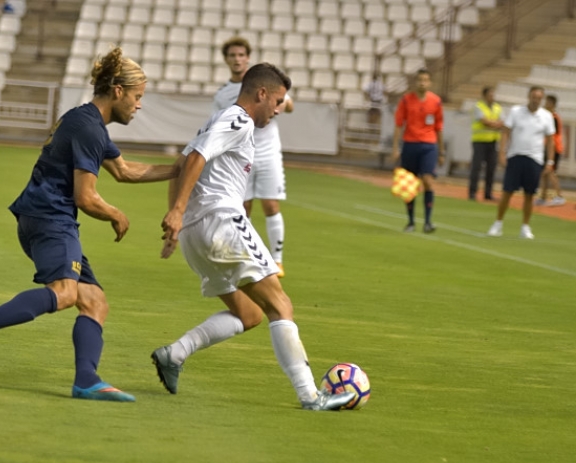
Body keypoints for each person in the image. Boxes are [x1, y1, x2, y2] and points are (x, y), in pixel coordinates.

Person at [0, 47, 179, 402]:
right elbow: (85, 197)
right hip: (51, 218)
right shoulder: (88, 128)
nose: (139, 105)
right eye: (137, 96)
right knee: (66, 293)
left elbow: (124, 170)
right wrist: (115, 213)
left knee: (95, 301)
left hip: (42, 216)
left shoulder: (86, 121)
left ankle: (86, 379)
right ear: (118, 91)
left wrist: (182, 169)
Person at [152, 63, 355, 411]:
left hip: (195, 235)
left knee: (250, 315)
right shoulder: (238, 119)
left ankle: (175, 353)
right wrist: (176, 212)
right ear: (261, 93)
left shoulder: (218, 120)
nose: (277, 110)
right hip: (221, 222)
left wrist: (179, 218)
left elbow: (180, 164)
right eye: (277, 101)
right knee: (280, 305)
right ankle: (311, 396)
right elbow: (197, 158)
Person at [212, 36, 293, 278]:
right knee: (243, 207)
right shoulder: (223, 94)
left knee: (270, 204)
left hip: (268, 152)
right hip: (241, 156)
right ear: (226, 60)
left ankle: (277, 261)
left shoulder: (263, 82)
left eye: (240, 55)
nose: (237, 59)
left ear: (247, 57)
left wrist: (282, 105)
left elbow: (288, 103)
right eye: (232, 55)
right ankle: (243, 254)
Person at [487, 86, 555, 239]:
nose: (535, 100)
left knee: (529, 194)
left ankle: (525, 226)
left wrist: (549, 161)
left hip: (535, 158)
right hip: (516, 155)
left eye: (539, 97)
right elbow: (506, 132)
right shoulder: (516, 111)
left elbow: (550, 141)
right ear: (528, 96)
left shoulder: (546, 116)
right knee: (507, 191)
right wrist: (502, 152)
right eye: (533, 96)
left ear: (542, 99)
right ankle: (498, 223)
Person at [391, 68, 445, 233]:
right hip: (410, 144)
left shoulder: (435, 102)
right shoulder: (406, 100)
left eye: (425, 80)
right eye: (420, 79)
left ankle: (428, 221)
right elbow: (399, 124)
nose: (422, 83)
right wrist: (395, 147)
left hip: (429, 145)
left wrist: (441, 151)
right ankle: (411, 221)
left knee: (427, 180)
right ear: (416, 82)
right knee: (411, 185)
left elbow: (439, 127)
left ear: (430, 83)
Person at [468, 86, 504, 201]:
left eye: (493, 95)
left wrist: (494, 124)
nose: (492, 97)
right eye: (490, 95)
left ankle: (488, 193)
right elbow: (484, 121)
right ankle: (472, 192)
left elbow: (503, 122)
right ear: (484, 96)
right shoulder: (479, 106)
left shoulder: (497, 108)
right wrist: (495, 124)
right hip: (479, 141)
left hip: (493, 141)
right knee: (476, 167)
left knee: (491, 168)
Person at [536, 94, 567, 207]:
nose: (545, 104)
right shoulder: (549, 116)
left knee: (550, 172)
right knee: (544, 173)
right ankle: (543, 196)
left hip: (554, 148)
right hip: (548, 147)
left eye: (547, 102)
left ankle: (559, 196)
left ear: (552, 104)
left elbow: (551, 135)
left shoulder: (553, 117)